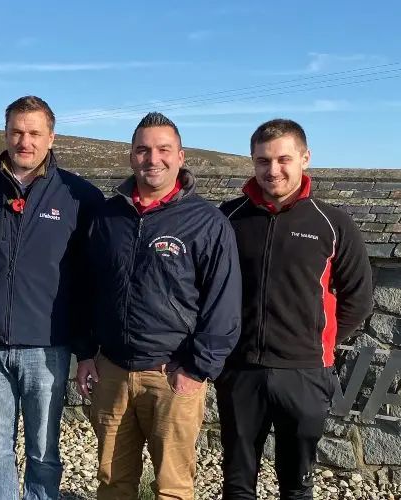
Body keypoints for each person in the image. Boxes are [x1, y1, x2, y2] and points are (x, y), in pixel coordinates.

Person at [75, 111, 242, 500]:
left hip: (173, 376)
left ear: (181, 156)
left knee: (172, 487)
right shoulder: (107, 216)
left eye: (164, 150)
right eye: (143, 150)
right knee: (113, 482)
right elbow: (86, 289)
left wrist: (197, 368)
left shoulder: (207, 222)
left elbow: (224, 304)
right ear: (131, 156)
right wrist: (85, 353)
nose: (153, 159)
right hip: (112, 371)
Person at [217, 119, 373, 499]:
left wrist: (316, 340)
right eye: (262, 160)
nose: (273, 170)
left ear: (305, 158)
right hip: (240, 370)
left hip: (304, 373)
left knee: (297, 485)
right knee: (237, 483)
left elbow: (359, 297)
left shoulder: (332, 222)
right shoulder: (228, 217)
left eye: (283, 159)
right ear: (252, 162)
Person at [0, 95, 104, 500]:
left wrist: (86, 346)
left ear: (51, 137)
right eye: (17, 132)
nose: (25, 141)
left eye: (34, 133)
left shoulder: (80, 197)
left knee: (44, 450)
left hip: (48, 347)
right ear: (5, 133)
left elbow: (92, 276)